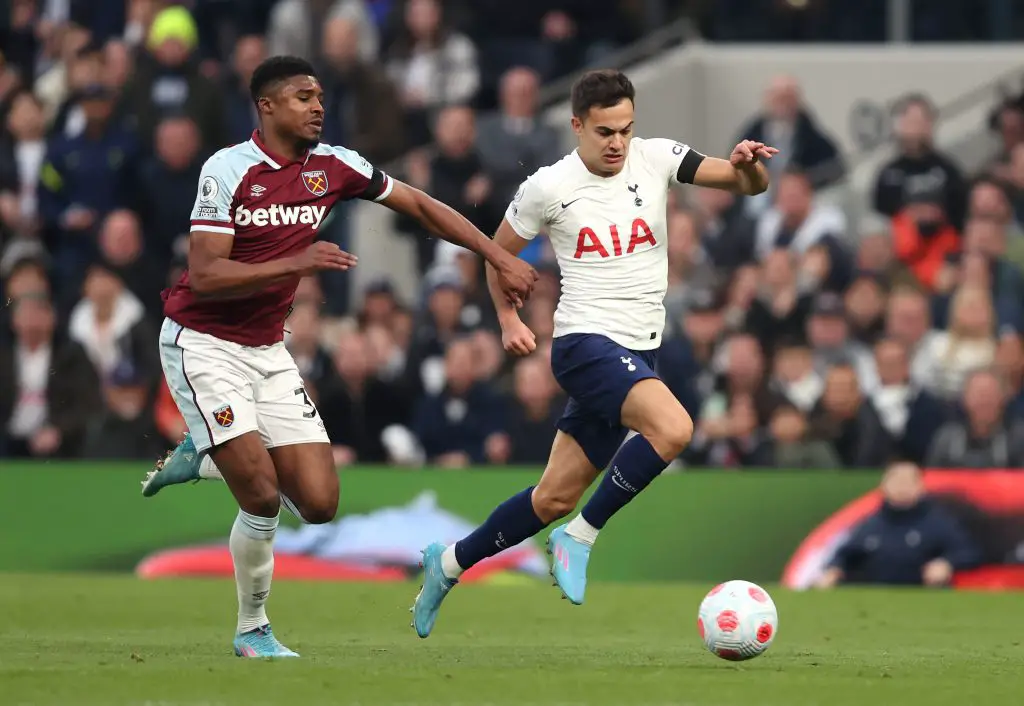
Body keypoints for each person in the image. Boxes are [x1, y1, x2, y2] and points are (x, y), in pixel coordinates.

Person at [138, 56, 537, 659]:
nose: (317, 106)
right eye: (302, 96)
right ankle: (253, 629)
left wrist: (494, 254)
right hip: (202, 344)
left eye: (320, 95)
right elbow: (206, 273)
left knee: (321, 505)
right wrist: (297, 262)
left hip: (266, 347)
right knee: (263, 498)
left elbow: (423, 206)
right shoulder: (228, 169)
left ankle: (211, 453)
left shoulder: (336, 165)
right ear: (267, 106)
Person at [411, 69, 777, 638]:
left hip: (638, 352)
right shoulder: (547, 187)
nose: (617, 143)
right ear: (577, 125)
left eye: (626, 130)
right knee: (675, 429)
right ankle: (581, 537)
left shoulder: (656, 159)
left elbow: (744, 184)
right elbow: (496, 253)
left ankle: (450, 562)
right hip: (584, 345)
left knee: (553, 496)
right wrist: (507, 317)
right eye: (605, 131)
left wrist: (749, 163)